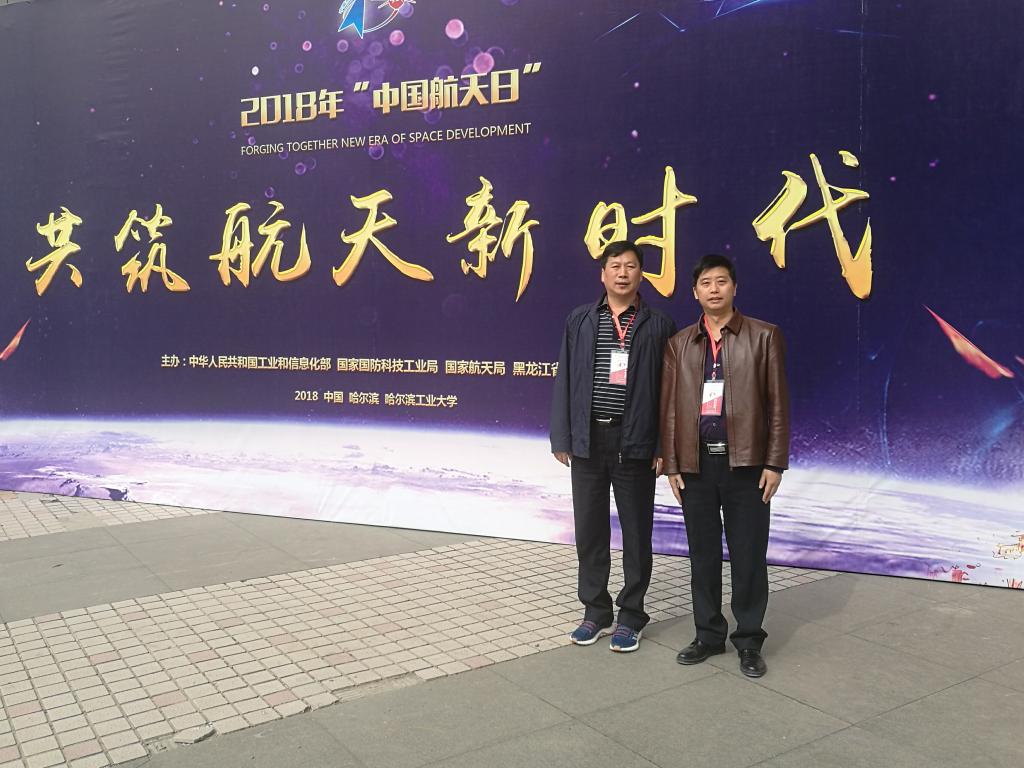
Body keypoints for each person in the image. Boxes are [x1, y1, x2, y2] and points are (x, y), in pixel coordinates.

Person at [659, 254, 790, 677]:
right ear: (694, 291)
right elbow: (670, 410)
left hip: (746, 466)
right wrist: (673, 464)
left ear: (734, 287)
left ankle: (749, 640)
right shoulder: (680, 344)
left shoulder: (764, 336)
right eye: (706, 283)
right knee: (703, 556)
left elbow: (778, 404)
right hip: (696, 466)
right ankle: (708, 635)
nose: (714, 289)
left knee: (748, 556)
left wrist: (774, 463)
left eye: (721, 281)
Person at [550, 240, 677, 652]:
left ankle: (632, 615)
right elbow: (565, 379)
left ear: (641, 275)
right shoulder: (580, 320)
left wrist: (663, 445)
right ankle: (596, 611)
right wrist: (562, 436)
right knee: (589, 530)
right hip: (588, 441)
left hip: (635, 441)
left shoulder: (659, 325)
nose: (623, 273)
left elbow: (670, 393)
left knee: (637, 533)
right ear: (602, 274)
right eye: (615, 266)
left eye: (631, 266)